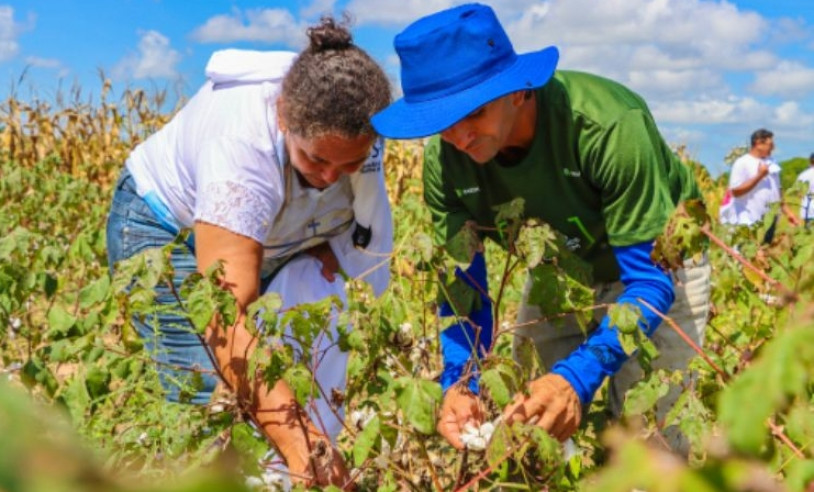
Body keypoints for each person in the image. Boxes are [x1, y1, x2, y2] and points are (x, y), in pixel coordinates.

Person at [371, 3, 710, 453]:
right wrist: (462, 380)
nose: (460, 138)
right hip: (559, 273)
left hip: (654, 271)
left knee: (651, 443)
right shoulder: (446, 164)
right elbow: (463, 286)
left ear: (517, 91)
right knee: (533, 428)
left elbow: (649, 281)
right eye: (443, 125)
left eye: (474, 114)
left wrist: (575, 378)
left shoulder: (607, 127)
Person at [106, 17, 392, 488]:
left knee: (292, 379)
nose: (330, 179)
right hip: (167, 230)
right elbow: (225, 320)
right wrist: (307, 448)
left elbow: (365, 240)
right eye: (316, 160)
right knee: (206, 406)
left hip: (279, 234)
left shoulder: (360, 136)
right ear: (283, 118)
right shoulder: (240, 147)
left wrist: (328, 241)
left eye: (350, 165)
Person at [726, 128, 800, 240]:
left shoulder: (772, 162)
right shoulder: (742, 163)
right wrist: (759, 176)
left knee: (765, 252)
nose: (773, 148)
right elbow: (736, 192)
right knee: (750, 253)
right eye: (770, 144)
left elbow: (777, 190)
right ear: (758, 143)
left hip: (770, 218)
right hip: (750, 220)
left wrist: (788, 213)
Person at [796, 153, 814, 226]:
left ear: (810, 161)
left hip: (808, 210)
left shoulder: (803, 175)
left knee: (809, 236)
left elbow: (799, 193)